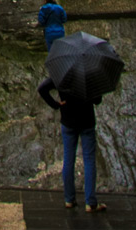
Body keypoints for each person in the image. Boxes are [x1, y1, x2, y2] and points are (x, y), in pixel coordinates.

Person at [37, 76, 106, 213]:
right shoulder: (88, 73)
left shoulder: (62, 72)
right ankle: (90, 202)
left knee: (68, 159)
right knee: (89, 160)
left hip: (68, 120)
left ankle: (69, 199)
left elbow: (42, 89)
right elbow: (97, 100)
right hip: (86, 121)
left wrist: (56, 104)